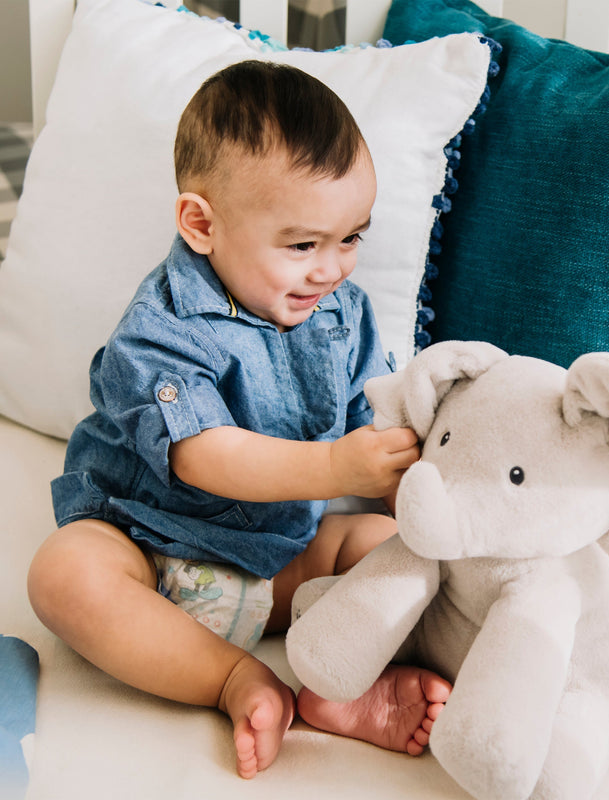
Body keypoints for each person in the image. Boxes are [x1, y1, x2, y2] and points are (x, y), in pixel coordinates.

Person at [27, 60, 451, 780]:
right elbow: (200, 454)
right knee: (63, 576)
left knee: (397, 552)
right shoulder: (160, 328)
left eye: (352, 238)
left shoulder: (339, 313)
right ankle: (232, 680)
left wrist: (404, 494)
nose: (333, 270)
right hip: (150, 547)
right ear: (202, 224)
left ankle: (336, 689)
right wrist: (334, 467)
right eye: (303, 245)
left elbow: (370, 426)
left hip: (283, 564)